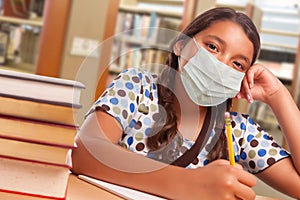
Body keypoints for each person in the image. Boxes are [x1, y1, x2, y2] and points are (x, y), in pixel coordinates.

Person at [71, 7, 300, 200]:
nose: (220, 65)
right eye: (212, 47)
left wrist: (278, 95)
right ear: (181, 45)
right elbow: (85, 150)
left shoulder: (238, 132)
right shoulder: (137, 87)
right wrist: (189, 184)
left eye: (238, 64)